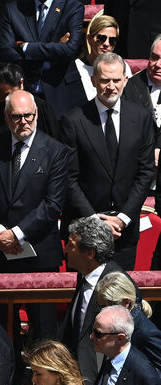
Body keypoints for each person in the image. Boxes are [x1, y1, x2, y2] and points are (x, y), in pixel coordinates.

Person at [0, 90, 71, 342]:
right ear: (6, 117)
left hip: (40, 254)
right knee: (2, 332)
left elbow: (53, 204)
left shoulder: (55, 151)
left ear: (36, 114)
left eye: (28, 116)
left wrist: (16, 234)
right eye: (17, 117)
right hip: (0, 252)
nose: (23, 122)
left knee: (44, 332)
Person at [60, 52, 155, 271]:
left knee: (121, 290)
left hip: (125, 231)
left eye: (116, 80)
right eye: (104, 80)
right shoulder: (73, 120)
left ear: (125, 81)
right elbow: (69, 178)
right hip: (85, 231)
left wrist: (123, 218)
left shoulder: (141, 118)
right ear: (93, 80)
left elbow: (145, 172)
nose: (111, 87)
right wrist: (94, 220)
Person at [58, 216, 123, 385]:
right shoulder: (85, 276)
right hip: (80, 375)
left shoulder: (115, 286)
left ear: (90, 253)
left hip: (100, 382)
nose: (65, 250)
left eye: (71, 245)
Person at [0, 0, 85, 119]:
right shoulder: (13, 9)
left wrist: (26, 48)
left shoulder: (72, 6)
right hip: (26, 91)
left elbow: (70, 49)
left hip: (62, 92)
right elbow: (6, 51)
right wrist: (55, 49)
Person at [61, 14, 131, 112]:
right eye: (101, 38)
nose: (106, 44)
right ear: (89, 38)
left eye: (112, 40)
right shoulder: (77, 67)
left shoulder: (123, 67)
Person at [95, 271, 161, 371]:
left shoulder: (146, 333)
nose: (102, 312)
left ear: (126, 302)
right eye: (100, 307)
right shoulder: (116, 324)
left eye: (107, 307)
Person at [0, 61, 60, 141]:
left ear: (21, 84)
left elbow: (54, 142)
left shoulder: (41, 107)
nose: (4, 100)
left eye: (7, 95)